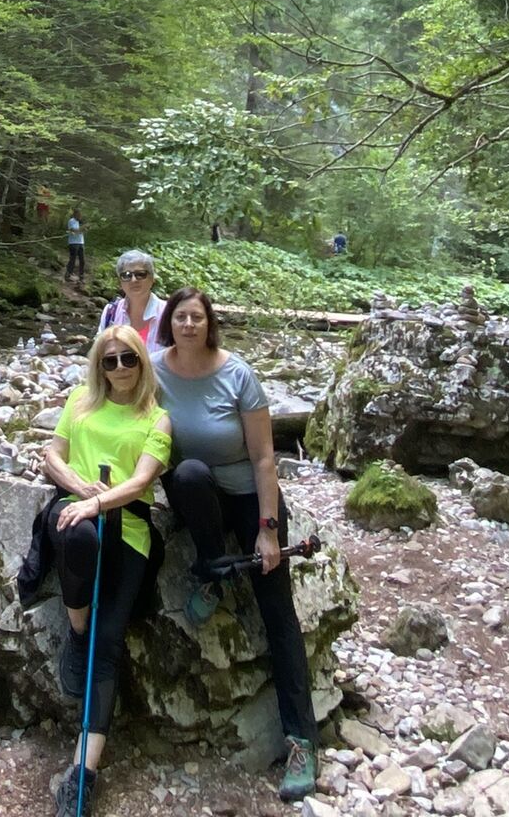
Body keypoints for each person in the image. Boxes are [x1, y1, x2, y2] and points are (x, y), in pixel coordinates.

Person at [151, 287, 318, 803]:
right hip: (197, 494)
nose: (188, 325)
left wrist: (268, 529)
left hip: (249, 497)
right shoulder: (151, 371)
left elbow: (265, 458)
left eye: (197, 317)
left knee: (277, 610)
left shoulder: (238, 374)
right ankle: (214, 571)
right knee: (188, 472)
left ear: (210, 324)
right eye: (181, 317)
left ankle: (301, 740)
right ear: (168, 322)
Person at [41, 325, 172, 815]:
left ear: (141, 362)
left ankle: (84, 773)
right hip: (75, 514)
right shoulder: (79, 400)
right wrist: (81, 491)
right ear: (99, 366)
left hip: (129, 529)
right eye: (109, 360)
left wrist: (98, 503)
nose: (118, 368)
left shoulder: (157, 419)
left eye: (128, 359)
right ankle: (77, 631)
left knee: (111, 642)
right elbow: (52, 455)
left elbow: (141, 482)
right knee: (79, 537)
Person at [97, 249, 165, 349]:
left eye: (140, 274)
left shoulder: (168, 313)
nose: (133, 280)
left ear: (152, 278)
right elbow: (99, 352)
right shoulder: (111, 313)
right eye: (126, 275)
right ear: (120, 282)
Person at [65, 208, 85, 281]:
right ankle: (68, 274)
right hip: (73, 243)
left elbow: (81, 231)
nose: (80, 215)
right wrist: (82, 228)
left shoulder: (79, 221)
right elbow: (73, 230)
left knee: (82, 260)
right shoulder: (71, 221)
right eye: (79, 214)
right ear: (75, 214)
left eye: (80, 214)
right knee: (72, 259)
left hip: (81, 242)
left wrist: (85, 229)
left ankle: (81, 276)